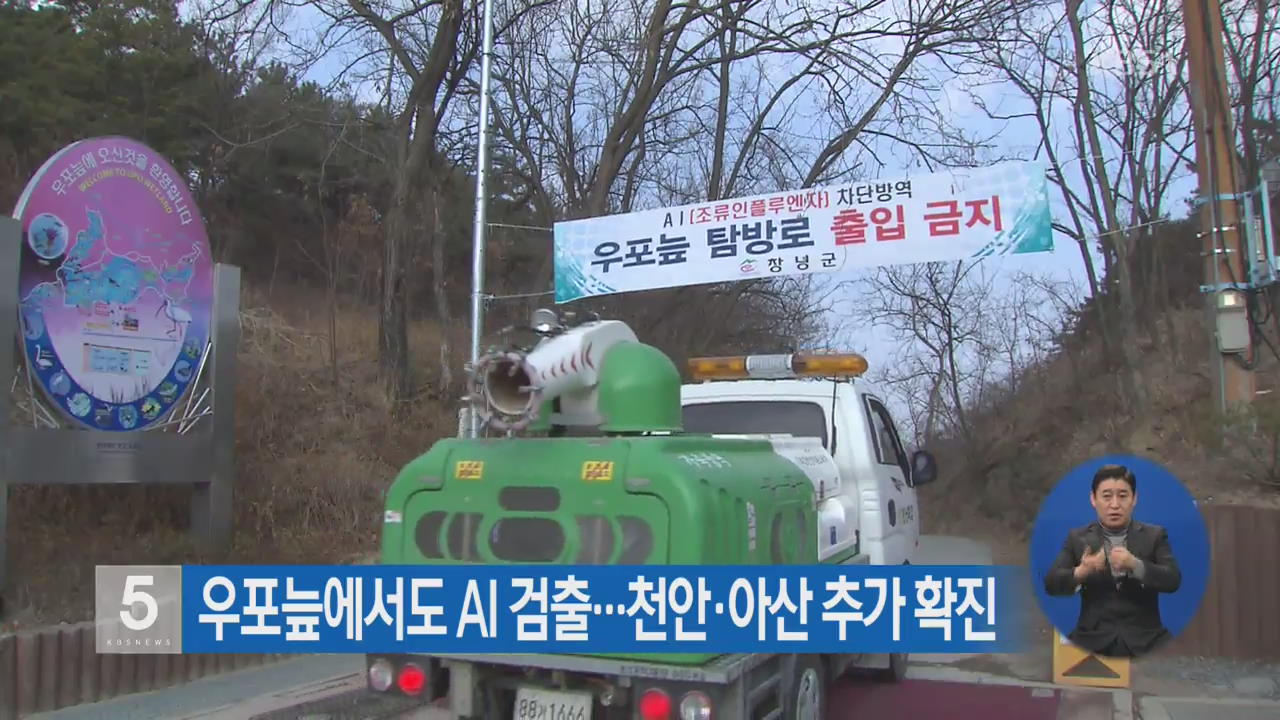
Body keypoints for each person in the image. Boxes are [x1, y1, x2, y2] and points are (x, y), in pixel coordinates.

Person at [1044, 464, 1182, 657]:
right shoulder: (1078, 538)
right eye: (1107, 496)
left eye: (1123, 496)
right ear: (1093, 499)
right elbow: (1051, 583)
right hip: (1091, 639)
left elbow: (1173, 579)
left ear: (1134, 499)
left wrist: (1136, 565)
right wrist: (1082, 571)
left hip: (1147, 640)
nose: (1115, 504)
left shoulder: (1154, 535)